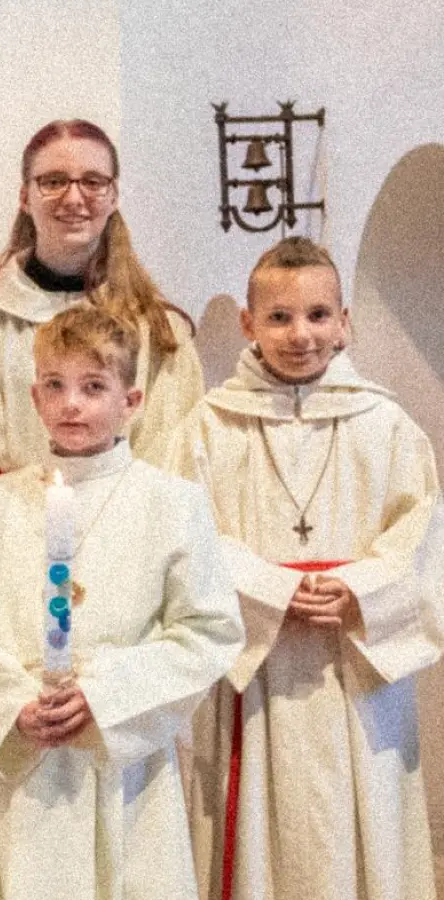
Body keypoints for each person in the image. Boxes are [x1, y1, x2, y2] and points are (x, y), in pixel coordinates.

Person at [0, 304, 242, 899]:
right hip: (21, 759)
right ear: (34, 396)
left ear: (132, 401)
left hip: (125, 761)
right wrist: (13, 706)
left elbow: (208, 631)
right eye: (55, 385)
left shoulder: (171, 503)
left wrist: (103, 696)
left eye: (93, 387)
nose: (71, 404)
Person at [176, 237, 439, 900]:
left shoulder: (388, 425)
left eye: (320, 315)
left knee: (364, 833)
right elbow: (181, 542)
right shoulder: (206, 429)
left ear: (345, 322)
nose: (302, 334)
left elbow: (427, 542)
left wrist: (358, 590)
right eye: (281, 317)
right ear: (248, 323)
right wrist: (273, 590)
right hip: (255, 675)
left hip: (358, 675)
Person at [0, 119, 203, 495]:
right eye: (53, 181)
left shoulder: (160, 331)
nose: (74, 198)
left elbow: (174, 457)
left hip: (124, 530)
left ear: (113, 197)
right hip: (7, 531)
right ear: (25, 197)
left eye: (93, 182)